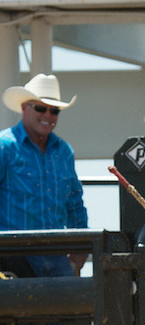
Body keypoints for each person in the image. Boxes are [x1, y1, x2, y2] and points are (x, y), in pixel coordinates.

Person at [0, 73, 88, 280]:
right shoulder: (5, 147)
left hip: (56, 255)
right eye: (40, 108)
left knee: (69, 308)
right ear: (24, 108)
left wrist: (81, 247)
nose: (48, 115)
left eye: (54, 110)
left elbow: (75, 203)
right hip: (12, 255)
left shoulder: (64, 152)